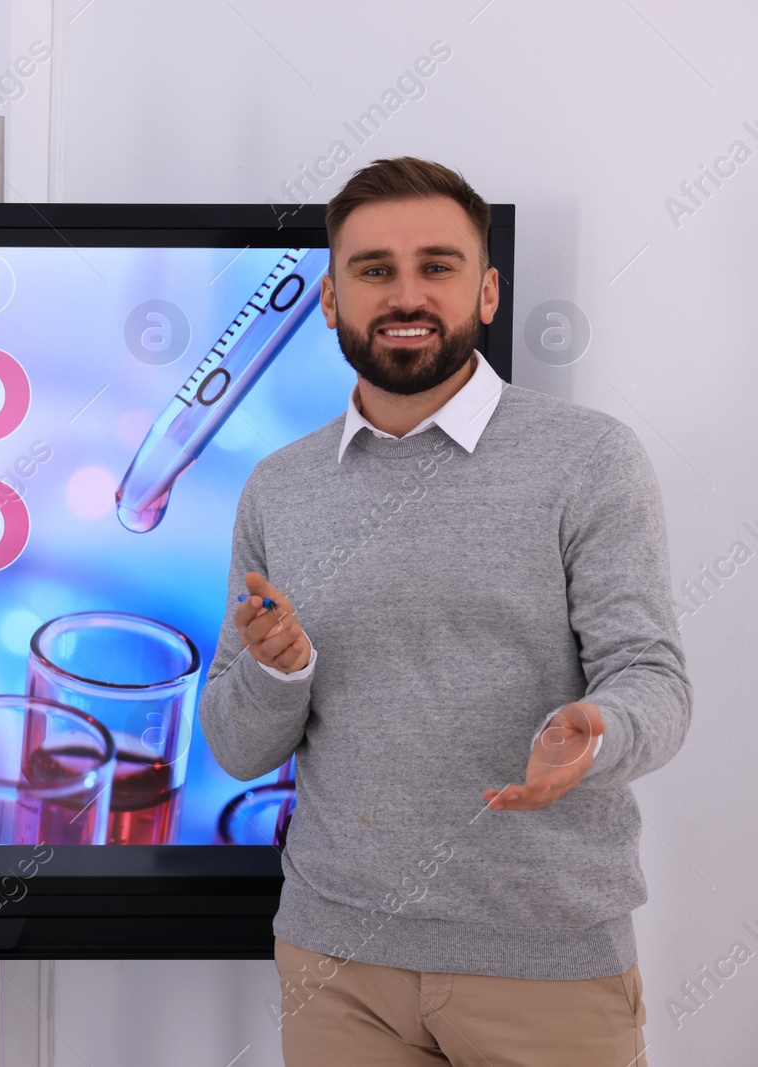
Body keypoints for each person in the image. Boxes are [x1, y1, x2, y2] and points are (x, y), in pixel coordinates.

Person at [199, 156, 690, 1066]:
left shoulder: (588, 460)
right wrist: (277, 671)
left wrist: (599, 729)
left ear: (489, 291)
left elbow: (654, 681)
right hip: (334, 967)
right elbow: (234, 746)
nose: (406, 294)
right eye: (374, 270)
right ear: (330, 300)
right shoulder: (280, 488)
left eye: (438, 265)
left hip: (543, 968)